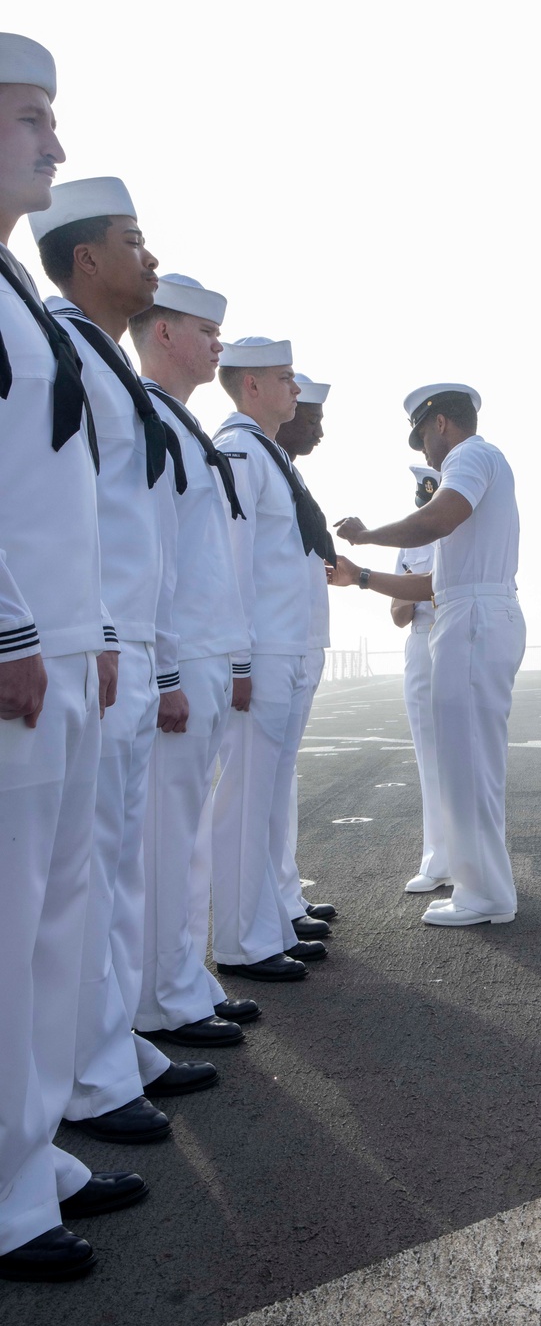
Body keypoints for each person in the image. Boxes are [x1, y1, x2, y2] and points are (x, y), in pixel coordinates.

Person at [0, 33, 144, 1283]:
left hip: (54, 658)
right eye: (33, 116)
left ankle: (25, 1160)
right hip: (11, 661)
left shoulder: (2, 289)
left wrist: (84, 634)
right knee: (6, 938)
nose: (54, 140)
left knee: (49, 926)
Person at [30, 178, 215, 1145]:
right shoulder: (62, 344)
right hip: (92, 643)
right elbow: (66, 514)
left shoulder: (96, 357)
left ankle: (114, 1049)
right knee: (87, 876)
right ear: (87, 260)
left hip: (125, 644)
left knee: (112, 871)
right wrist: (100, 635)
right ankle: (91, 1076)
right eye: (134, 242)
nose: (152, 259)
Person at [334, 383, 525, 926]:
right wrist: (363, 577)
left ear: (439, 423)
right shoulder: (482, 460)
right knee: (467, 763)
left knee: (467, 762)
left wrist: (367, 536)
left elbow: (438, 520)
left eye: (421, 438)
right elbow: (435, 584)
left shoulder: (471, 454)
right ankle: (483, 886)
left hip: (474, 621)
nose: (424, 454)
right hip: (471, 612)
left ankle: (484, 893)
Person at [128, 273, 260, 1044]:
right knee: (164, 842)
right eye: (204, 331)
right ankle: (162, 998)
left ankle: (185, 979)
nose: (217, 344)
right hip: (178, 663)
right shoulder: (147, 417)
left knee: (186, 839)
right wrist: (170, 673)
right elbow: (154, 561)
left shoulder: (183, 427)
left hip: (207, 656)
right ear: (166, 335)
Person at [211, 337, 330, 979]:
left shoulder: (266, 454)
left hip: (282, 646)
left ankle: (268, 924)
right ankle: (242, 941)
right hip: (259, 650)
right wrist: (237, 660)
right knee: (245, 799)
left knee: (267, 796)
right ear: (251, 386)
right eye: (284, 379)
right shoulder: (239, 451)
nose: (295, 389)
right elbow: (231, 560)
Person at [274, 373, 338, 933]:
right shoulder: (249, 459)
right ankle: (266, 910)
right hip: (270, 648)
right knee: (261, 790)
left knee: (280, 783)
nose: (319, 429)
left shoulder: (285, 471)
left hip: (297, 644)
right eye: (310, 416)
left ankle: (283, 897)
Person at [390, 465, 449, 893]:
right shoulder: (408, 547)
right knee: (429, 757)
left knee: (465, 755)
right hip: (420, 643)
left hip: (456, 639)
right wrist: (413, 590)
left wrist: (422, 588)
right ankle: (435, 858)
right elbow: (396, 613)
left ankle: (470, 858)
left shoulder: (465, 533)